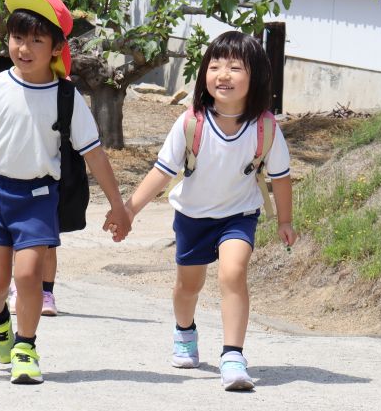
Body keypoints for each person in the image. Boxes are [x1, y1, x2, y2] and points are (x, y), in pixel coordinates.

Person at [0, 0, 131, 385]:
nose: (24, 48)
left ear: (57, 47)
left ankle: (25, 346)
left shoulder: (68, 97)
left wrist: (118, 205)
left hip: (39, 197)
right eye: (17, 38)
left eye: (36, 41)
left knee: (28, 277)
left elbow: (95, 154)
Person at [121, 30, 298, 391]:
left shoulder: (265, 127)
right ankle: (185, 332)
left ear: (256, 77)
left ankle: (233, 356)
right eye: (215, 65)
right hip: (192, 216)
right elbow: (162, 171)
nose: (223, 74)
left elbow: (281, 177)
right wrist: (129, 210)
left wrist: (285, 220)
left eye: (235, 67)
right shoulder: (191, 122)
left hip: (239, 216)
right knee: (188, 286)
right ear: (204, 74)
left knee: (233, 273)